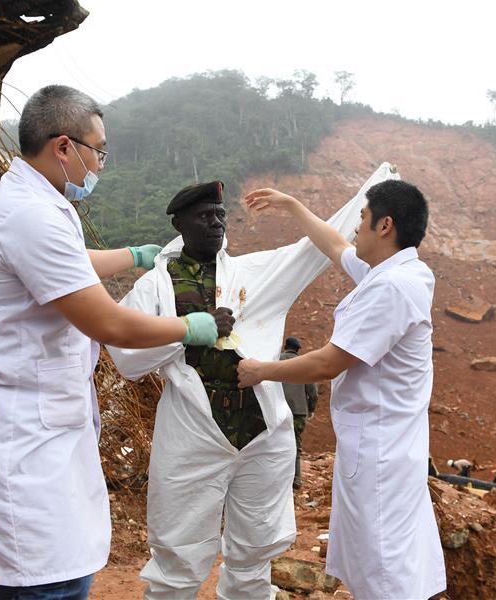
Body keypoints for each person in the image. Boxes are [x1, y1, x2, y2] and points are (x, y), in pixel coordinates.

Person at [0, 85, 221, 600]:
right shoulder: (31, 215)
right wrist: (190, 328)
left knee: (54, 572)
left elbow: (69, 262)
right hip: (18, 428)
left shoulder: (37, 199)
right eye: (99, 150)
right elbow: (109, 324)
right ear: (64, 147)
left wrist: (134, 255)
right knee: (49, 580)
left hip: (39, 418)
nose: (101, 163)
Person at [106, 164, 397, 600]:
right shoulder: (155, 287)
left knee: (254, 556)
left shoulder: (253, 273)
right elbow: (125, 355)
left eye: (220, 214)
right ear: (179, 224)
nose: (216, 222)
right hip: (192, 436)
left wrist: (370, 193)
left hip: (261, 435)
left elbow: (310, 252)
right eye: (204, 215)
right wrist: (186, 330)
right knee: (177, 560)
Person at [238, 179, 447, 599]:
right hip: (383, 444)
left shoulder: (391, 288)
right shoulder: (400, 271)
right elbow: (334, 245)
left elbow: (330, 361)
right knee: (383, 557)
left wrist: (260, 370)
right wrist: (293, 205)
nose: (356, 228)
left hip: (380, 451)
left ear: (385, 225)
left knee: (385, 565)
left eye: (363, 219)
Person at [279, 337, 318, 489]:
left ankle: (277, 479)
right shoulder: (304, 364)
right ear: (297, 349)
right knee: (295, 445)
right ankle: (296, 479)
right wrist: (311, 409)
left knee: (274, 443)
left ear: (285, 346)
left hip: (277, 410)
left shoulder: (276, 360)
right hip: (298, 412)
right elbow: (312, 392)